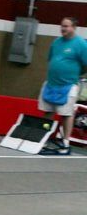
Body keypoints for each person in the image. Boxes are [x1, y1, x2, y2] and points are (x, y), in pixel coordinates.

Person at [38, 17, 87, 155]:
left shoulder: (81, 44)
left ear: (74, 27)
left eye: (66, 26)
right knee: (47, 112)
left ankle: (65, 143)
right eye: (62, 26)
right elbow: (51, 59)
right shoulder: (56, 43)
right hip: (51, 84)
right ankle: (44, 137)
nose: (63, 29)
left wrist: (76, 73)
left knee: (66, 114)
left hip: (68, 85)